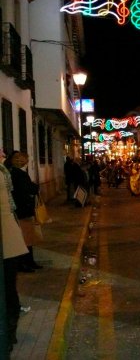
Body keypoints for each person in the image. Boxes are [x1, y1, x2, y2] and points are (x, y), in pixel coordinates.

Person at [0, 148, 30, 353]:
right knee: (9, 286)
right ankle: (9, 335)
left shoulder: (4, 172)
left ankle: (8, 335)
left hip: (7, 234)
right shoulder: (4, 172)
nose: (3, 153)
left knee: (9, 286)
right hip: (8, 233)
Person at [9, 151, 43, 272]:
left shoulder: (15, 173)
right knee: (26, 238)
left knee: (28, 238)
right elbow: (26, 190)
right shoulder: (20, 175)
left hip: (22, 210)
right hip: (23, 211)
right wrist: (35, 187)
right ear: (23, 161)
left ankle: (29, 261)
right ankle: (25, 263)